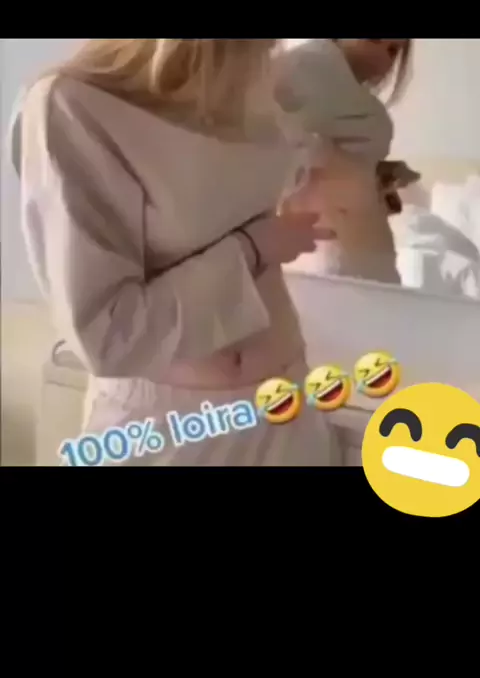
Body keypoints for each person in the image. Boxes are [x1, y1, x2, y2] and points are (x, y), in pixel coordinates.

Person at [17, 38, 340, 467]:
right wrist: (253, 249)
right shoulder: (73, 105)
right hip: (163, 430)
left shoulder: (256, 82)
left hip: (287, 413)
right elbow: (108, 335)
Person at [275, 38, 416, 283]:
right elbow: (275, 143)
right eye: (374, 39)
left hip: (362, 251)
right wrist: (337, 160)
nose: (382, 56)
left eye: (393, 50)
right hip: (329, 255)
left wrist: (375, 175)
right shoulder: (307, 67)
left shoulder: (342, 91)